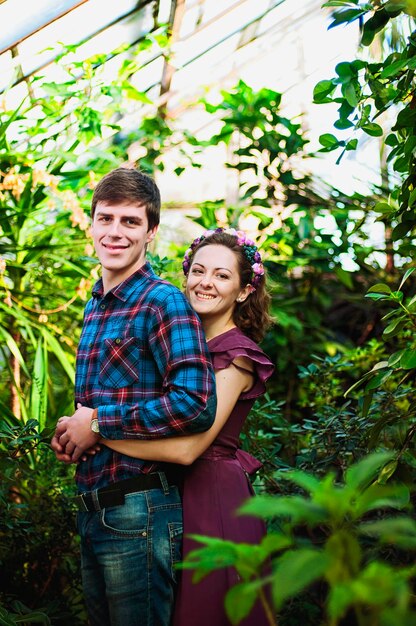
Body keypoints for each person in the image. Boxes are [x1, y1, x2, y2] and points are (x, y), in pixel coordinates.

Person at [50, 167, 216, 626]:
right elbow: (103, 400)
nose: (115, 232)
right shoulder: (96, 305)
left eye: (130, 222)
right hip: (94, 506)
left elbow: (196, 403)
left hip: (140, 511)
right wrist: (74, 432)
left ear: (151, 233)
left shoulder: (164, 302)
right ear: (91, 224)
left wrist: (100, 423)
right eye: (106, 219)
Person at [96, 228, 274, 625]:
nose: (206, 282)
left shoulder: (238, 356)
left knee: (207, 609)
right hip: (166, 495)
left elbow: (188, 449)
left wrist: (97, 430)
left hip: (212, 499)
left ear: (244, 291)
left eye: (222, 275)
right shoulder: (179, 343)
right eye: (198, 270)